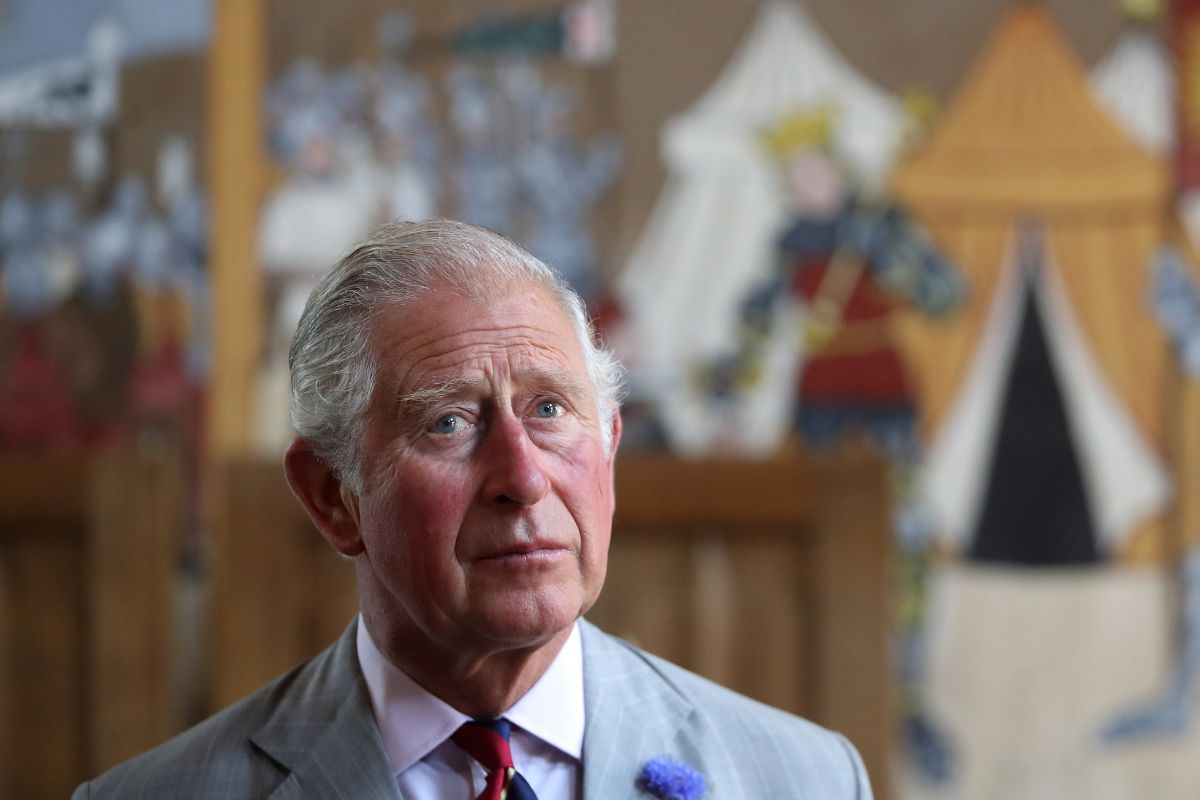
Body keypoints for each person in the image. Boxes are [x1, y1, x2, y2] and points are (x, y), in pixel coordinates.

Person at [73, 219, 872, 799]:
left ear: (612, 448)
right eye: (449, 421)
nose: (522, 479)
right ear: (331, 496)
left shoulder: (804, 779)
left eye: (552, 410)